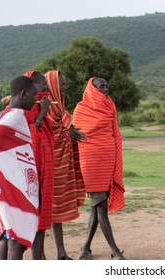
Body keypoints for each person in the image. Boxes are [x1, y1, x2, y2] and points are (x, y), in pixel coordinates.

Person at [0, 76, 39, 259]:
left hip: (8, 185)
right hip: (13, 188)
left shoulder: (6, 114)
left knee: (6, 240)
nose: (35, 99)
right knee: (17, 244)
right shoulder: (14, 116)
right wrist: (1, 169)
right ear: (23, 94)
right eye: (33, 95)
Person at [73, 77, 125, 260]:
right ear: (92, 89)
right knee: (100, 205)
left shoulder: (109, 105)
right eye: (101, 86)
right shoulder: (81, 108)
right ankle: (115, 251)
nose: (106, 88)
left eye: (106, 85)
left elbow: (114, 133)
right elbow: (77, 135)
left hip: (107, 161)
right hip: (91, 164)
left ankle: (85, 248)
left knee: (96, 206)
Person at [44, 70, 86, 260]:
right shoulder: (42, 111)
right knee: (44, 211)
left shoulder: (59, 110)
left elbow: (66, 128)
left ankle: (61, 253)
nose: (65, 86)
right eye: (62, 83)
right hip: (46, 168)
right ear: (52, 86)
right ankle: (41, 256)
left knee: (57, 210)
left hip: (59, 169)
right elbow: (43, 138)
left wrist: (70, 132)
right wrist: (65, 133)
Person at [22, 71, 54, 260]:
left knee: (41, 213)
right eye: (44, 86)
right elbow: (27, 136)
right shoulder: (25, 110)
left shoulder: (37, 106)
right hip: (30, 171)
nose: (47, 90)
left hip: (43, 167)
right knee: (34, 215)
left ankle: (40, 257)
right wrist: (42, 113)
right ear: (33, 88)